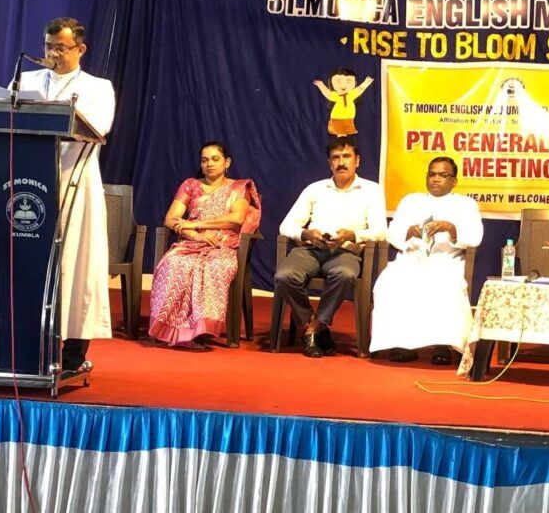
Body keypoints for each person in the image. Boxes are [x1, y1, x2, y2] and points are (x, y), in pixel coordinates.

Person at [0, 17, 115, 371]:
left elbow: (96, 128)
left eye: (61, 47)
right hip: (21, 182)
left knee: (72, 265)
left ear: (80, 49)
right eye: (49, 46)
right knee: (16, 260)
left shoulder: (98, 87)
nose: (52, 53)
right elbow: (4, 122)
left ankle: (72, 353)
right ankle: (11, 346)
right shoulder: (26, 81)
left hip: (70, 184)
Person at [275, 136, 387, 357]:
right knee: (284, 276)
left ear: (357, 161)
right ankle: (313, 325)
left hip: (345, 251)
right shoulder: (315, 189)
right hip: (311, 249)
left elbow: (381, 232)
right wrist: (306, 233)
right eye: (336, 158)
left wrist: (353, 235)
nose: (341, 162)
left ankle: (314, 329)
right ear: (329, 163)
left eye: (346, 157)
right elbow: (286, 226)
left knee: (344, 274)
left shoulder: (371, 190)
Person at [370, 157, 483, 364]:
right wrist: (409, 231)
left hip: (446, 259)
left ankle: (442, 344)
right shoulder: (410, 201)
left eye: (443, 175)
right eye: (432, 174)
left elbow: (475, 237)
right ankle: (401, 343)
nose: (436, 179)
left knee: (443, 285)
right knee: (389, 283)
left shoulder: (466, 204)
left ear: (454, 181)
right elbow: (391, 234)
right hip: (411, 258)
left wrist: (451, 228)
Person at [148, 142, 261, 348]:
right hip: (190, 243)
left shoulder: (239, 187)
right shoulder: (190, 185)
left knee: (212, 267)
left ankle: (200, 329)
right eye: (204, 160)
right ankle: (174, 330)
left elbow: (236, 219)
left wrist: (196, 224)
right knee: (173, 263)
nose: (209, 164)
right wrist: (195, 235)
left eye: (215, 159)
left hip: (223, 246)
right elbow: (171, 219)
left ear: (227, 162)